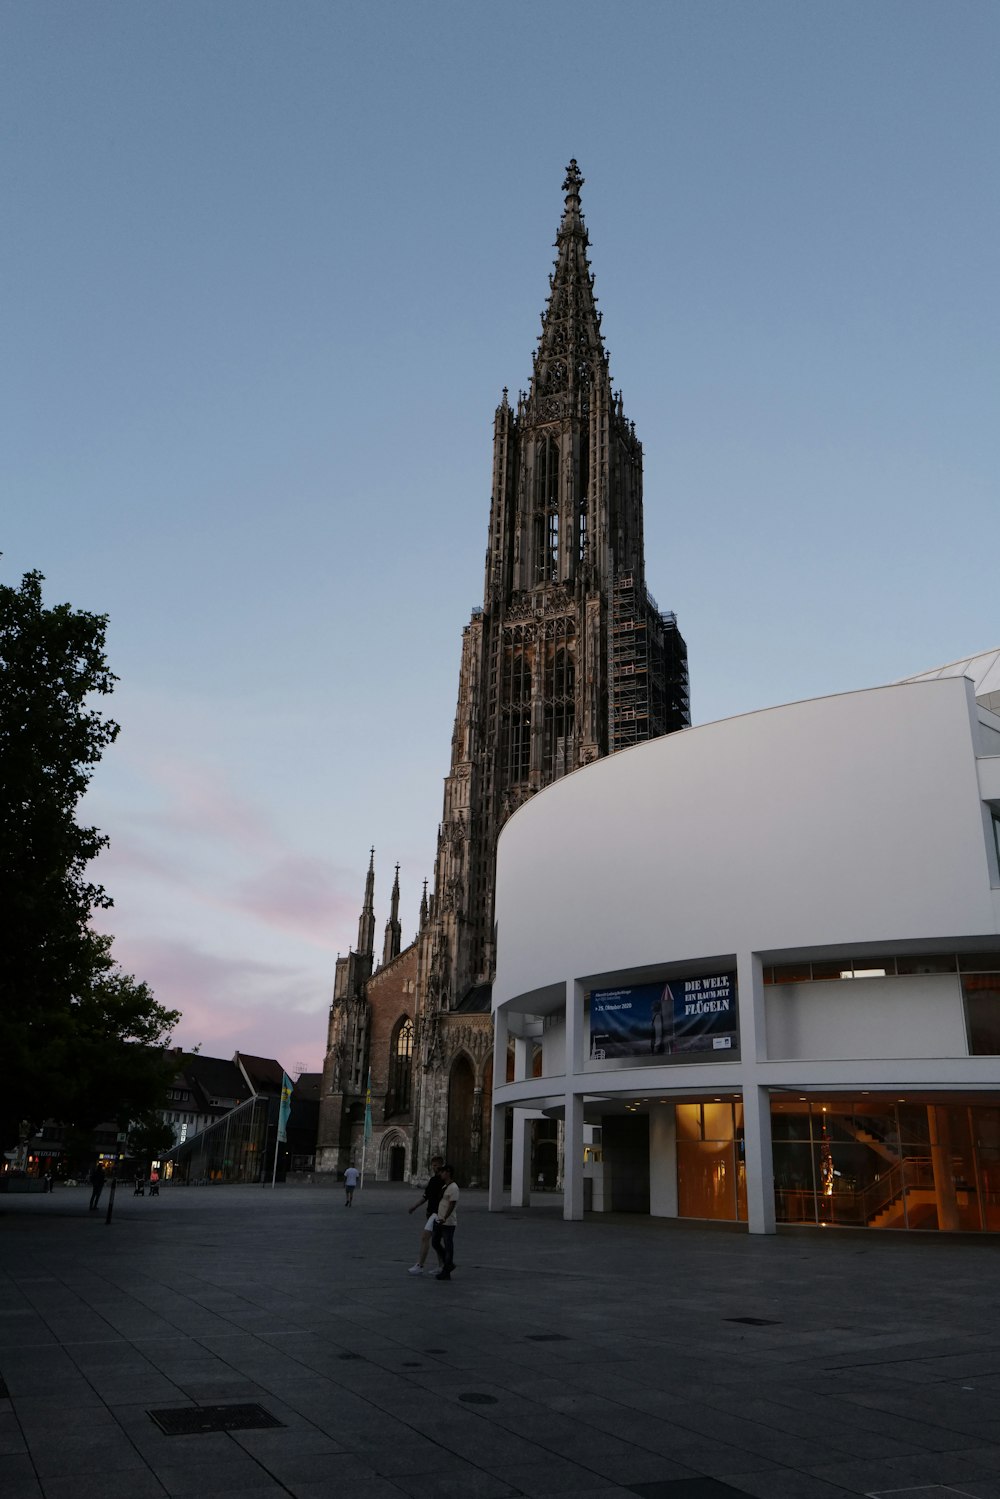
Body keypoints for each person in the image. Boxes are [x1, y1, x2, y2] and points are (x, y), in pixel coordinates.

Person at [407, 1156, 444, 1275]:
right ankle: (442, 1266)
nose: (434, 1167)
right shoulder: (433, 1180)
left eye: (436, 1165)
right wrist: (415, 1206)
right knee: (436, 1241)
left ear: (441, 1165)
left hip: (437, 1214)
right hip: (432, 1213)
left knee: (425, 1238)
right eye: (433, 1165)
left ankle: (420, 1265)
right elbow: (425, 1196)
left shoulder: (444, 1181)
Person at [432, 1163, 459, 1281]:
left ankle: (446, 1271)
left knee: (448, 1245)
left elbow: (452, 1204)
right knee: (435, 1242)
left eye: (442, 1172)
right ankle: (449, 1264)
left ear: (448, 1172)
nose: (440, 1174)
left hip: (448, 1222)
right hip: (440, 1219)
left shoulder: (454, 1188)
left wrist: (445, 1217)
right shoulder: (445, 1187)